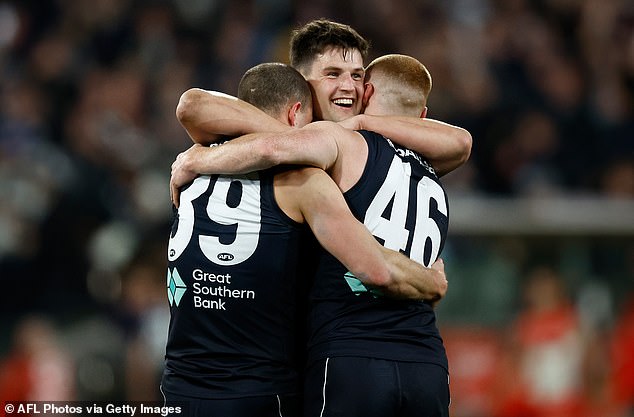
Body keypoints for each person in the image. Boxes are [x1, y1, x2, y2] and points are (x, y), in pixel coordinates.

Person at [170, 49, 469, 416]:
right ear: (423, 118)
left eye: (357, 77)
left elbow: (222, 121)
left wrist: (193, 158)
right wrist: (430, 281)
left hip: (328, 360)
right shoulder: (434, 176)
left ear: (368, 95)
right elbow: (462, 142)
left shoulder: (333, 153)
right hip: (427, 363)